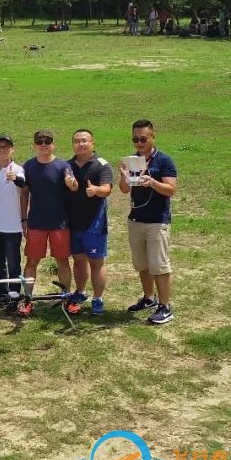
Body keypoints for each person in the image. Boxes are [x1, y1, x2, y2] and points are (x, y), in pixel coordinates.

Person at [118, 119, 178, 325]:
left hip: (157, 221)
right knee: (142, 264)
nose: (139, 142)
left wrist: (152, 182)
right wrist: (124, 177)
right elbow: (125, 190)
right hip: (136, 219)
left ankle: (165, 306)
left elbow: (171, 189)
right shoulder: (132, 160)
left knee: (159, 266)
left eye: (143, 138)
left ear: (153, 137)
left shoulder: (164, 161)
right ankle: (149, 298)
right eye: (135, 139)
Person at [18, 131, 73, 316]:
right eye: (39, 142)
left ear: (53, 144)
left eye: (47, 141)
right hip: (36, 222)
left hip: (60, 222)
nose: (43, 144)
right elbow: (24, 193)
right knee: (32, 261)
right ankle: (27, 299)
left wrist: (72, 183)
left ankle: (66, 297)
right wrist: (24, 218)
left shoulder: (63, 165)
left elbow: (73, 186)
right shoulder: (28, 166)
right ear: (34, 145)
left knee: (63, 261)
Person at [63, 130, 113, 316]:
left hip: (95, 223)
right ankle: (81, 292)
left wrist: (96, 190)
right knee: (78, 260)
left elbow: (107, 189)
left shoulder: (102, 165)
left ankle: (98, 298)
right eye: (76, 141)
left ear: (92, 143)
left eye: (84, 141)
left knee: (96, 262)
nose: (80, 144)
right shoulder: (67, 165)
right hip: (73, 222)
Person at [0, 135, 25, 309]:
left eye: (6, 146)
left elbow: (23, 183)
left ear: (12, 149)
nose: (3, 149)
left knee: (14, 263)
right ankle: (1, 293)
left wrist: (14, 178)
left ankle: (15, 295)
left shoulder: (17, 169)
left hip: (13, 226)